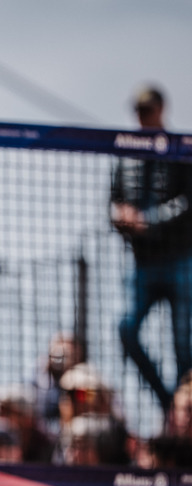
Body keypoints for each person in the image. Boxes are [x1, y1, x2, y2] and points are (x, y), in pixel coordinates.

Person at [110, 85, 192, 409]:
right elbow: (113, 202)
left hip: (179, 260)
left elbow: (188, 203)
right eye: (138, 111)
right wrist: (121, 216)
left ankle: (185, 412)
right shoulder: (125, 154)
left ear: (161, 109)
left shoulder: (181, 149)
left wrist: (149, 221)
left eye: (147, 110)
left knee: (182, 346)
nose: (142, 118)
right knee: (126, 330)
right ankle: (168, 402)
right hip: (142, 263)